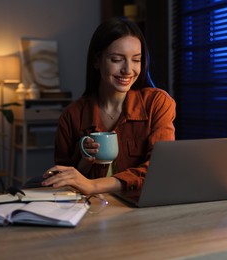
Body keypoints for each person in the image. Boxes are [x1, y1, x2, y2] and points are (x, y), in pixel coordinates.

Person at [41, 17, 176, 195]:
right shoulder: (72, 115)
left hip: (141, 210)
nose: (128, 70)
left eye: (136, 59)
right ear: (97, 61)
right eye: (117, 59)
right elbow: (63, 181)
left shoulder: (157, 103)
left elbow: (160, 168)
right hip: (90, 211)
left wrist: (94, 186)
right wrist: (84, 162)